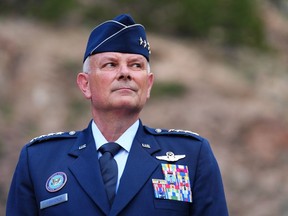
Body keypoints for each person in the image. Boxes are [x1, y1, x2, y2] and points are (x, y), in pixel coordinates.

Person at [6, 14, 229, 216]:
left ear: (148, 84)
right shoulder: (39, 161)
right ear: (85, 85)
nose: (125, 73)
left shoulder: (192, 156)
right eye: (111, 64)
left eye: (136, 65)